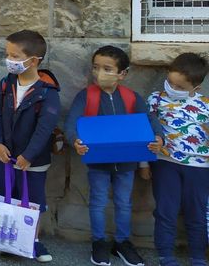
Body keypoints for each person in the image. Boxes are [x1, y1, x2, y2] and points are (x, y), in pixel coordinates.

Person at [64, 46, 163, 266]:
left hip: (127, 163)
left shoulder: (131, 97)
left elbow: (149, 119)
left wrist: (159, 137)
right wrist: (75, 140)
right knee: (98, 202)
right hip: (98, 162)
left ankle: (122, 242)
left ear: (122, 74)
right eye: (96, 67)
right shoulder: (86, 96)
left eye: (107, 68)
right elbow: (71, 123)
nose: (100, 73)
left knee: (124, 203)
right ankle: (99, 241)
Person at [0, 30, 60, 263]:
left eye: (16, 56)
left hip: (34, 160)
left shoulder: (47, 92)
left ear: (34, 60)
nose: (9, 60)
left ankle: (33, 241)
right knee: (7, 195)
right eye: (8, 54)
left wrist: (29, 155)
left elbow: (45, 127)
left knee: (34, 201)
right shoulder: (4, 84)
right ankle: (7, 239)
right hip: (5, 157)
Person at [147, 53, 209, 266]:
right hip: (165, 163)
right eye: (170, 83)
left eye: (180, 87)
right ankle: (165, 254)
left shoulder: (205, 105)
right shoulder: (155, 99)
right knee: (166, 210)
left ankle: (198, 256)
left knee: (196, 212)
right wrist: (144, 164)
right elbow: (146, 133)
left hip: (199, 166)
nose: (173, 88)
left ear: (196, 89)